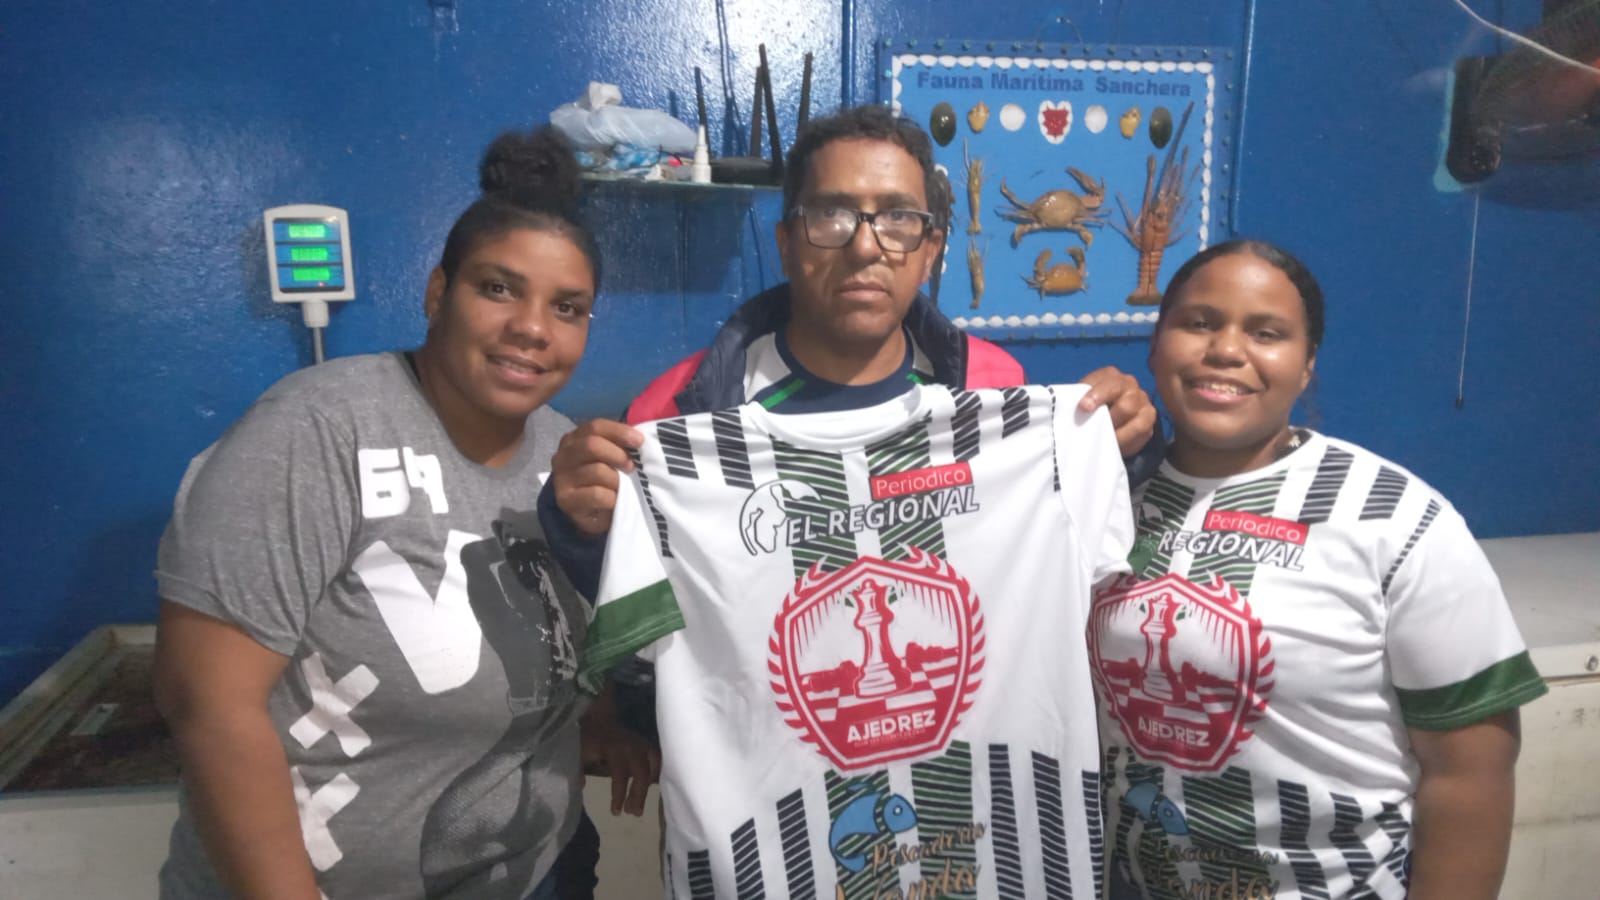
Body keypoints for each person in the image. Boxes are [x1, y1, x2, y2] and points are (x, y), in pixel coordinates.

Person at [538, 103, 1161, 735]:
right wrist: (583, 525)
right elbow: (644, 630)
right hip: (767, 766)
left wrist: (1118, 443)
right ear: (786, 244)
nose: (865, 246)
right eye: (831, 215)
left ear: (929, 251)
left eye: (898, 218)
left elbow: (1066, 552)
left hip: (962, 773)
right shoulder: (675, 413)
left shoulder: (994, 386)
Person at [152, 126, 649, 900]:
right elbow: (207, 702)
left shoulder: (567, 458)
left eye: (567, 307)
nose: (531, 327)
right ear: (437, 293)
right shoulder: (317, 431)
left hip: (536, 873)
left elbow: (565, 632)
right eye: (498, 288)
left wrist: (601, 715)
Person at [1087, 239, 1548, 900]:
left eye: (1266, 333)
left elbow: (1470, 774)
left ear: (1306, 366)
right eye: (1200, 322)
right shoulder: (1105, 502)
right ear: (1155, 347)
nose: (1226, 349)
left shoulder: (1395, 518)